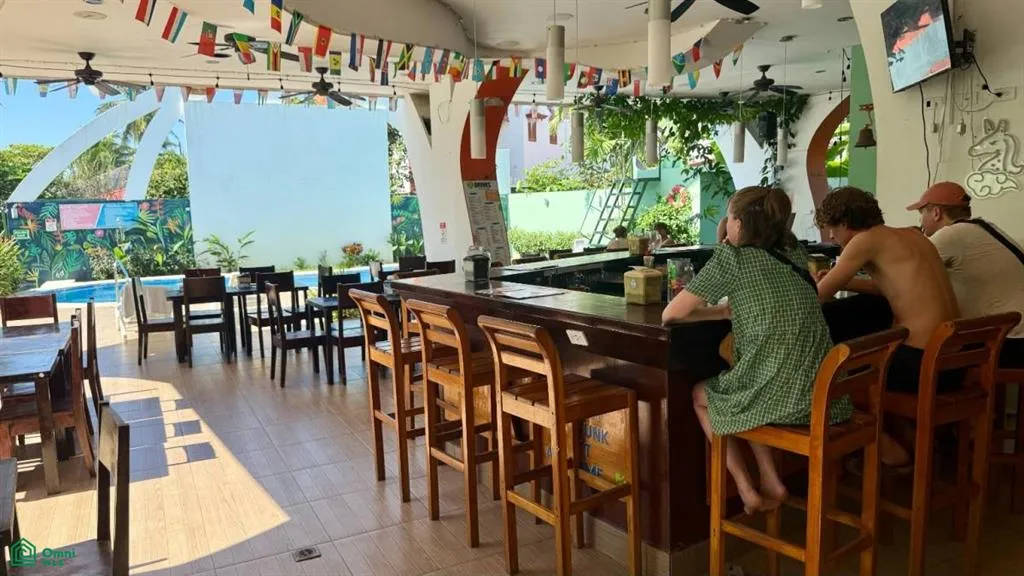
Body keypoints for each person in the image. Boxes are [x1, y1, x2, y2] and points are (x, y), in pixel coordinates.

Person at [663, 186, 848, 514]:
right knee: (745, 384)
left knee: (703, 395)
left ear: (738, 223)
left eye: (729, 217)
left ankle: (746, 490)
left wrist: (717, 310)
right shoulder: (793, 252)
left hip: (782, 399)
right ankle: (771, 479)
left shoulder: (732, 258)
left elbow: (671, 314)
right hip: (825, 397)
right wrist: (723, 312)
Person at [815, 187, 959, 467]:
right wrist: (845, 280)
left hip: (922, 365)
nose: (831, 236)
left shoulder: (865, 241)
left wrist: (822, 281)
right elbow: (889, 288)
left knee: (837, 376)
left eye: (832, 228)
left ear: (846, 222)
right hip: (952, 362)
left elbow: (819, 295)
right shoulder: (913, 235)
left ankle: (887, 449)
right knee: (874, 357)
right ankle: (910, 441)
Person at [907, 181, 1024, 367]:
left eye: (922, 214)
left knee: (918, 356)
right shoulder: (985, 227)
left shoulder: (951, 235)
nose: (920, 222)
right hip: (1014, 336)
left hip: (1010, 342)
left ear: (936, 213)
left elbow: (905, 277)